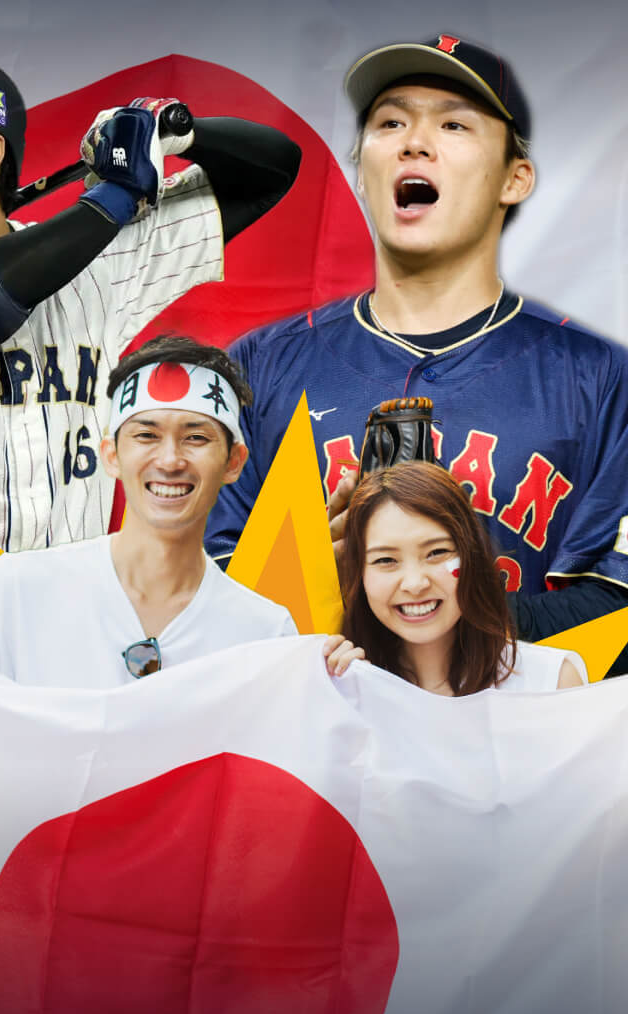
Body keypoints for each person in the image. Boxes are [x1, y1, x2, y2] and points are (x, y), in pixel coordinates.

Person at [206, 34, 628, 677]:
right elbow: (201, 599)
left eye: (454, 124)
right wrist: (307, 572)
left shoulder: (601, 378)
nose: (414, 141)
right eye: (390, 122)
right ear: (362, 169)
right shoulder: (259, 368)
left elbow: (618, 605)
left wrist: (444, 621)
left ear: (515, 179)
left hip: (515, 754)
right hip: (317, 756)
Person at [0, 45, 302, 624]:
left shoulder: (102, 260)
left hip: (66, 631)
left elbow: (273, 170)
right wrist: (113, 196)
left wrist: (175, 131)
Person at [0, 337, 297, 686]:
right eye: (146, 436)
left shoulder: (265, 633)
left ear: (234, 462)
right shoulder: (12, 594)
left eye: (196, 438)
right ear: (112, 456)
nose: (170, 460)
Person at [322, 462, 584, 693]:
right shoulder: (340, 689)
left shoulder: (550, 682)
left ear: (472, 556)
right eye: (386, 560)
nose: (415, 584)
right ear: (358, 573)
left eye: (437, 553)